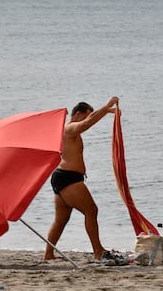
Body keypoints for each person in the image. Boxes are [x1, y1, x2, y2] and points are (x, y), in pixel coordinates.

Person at [43, 96, 119, 261]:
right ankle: (98, 250)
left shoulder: (71, 130)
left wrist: (105, 112)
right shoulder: (69, 129)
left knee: (61, 219)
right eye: (86, 115)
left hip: (63, 177)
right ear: (77, 114)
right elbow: (86, 124)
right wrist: (106, 107)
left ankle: (48, 254)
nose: (88, 120)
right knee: (91, 211)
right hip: (68, 178)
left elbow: (88, 122)